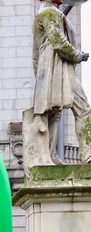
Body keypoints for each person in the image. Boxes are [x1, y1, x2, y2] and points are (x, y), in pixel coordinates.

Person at [32, 0, 91, 166]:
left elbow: (35, 52)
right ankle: (87, 155)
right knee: (81, 108)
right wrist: (78, 55)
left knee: (54, 111)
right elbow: (59, 42)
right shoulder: (48, 13)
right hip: (56, 67)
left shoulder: (47, 12)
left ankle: (51, 155)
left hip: (53, 67)